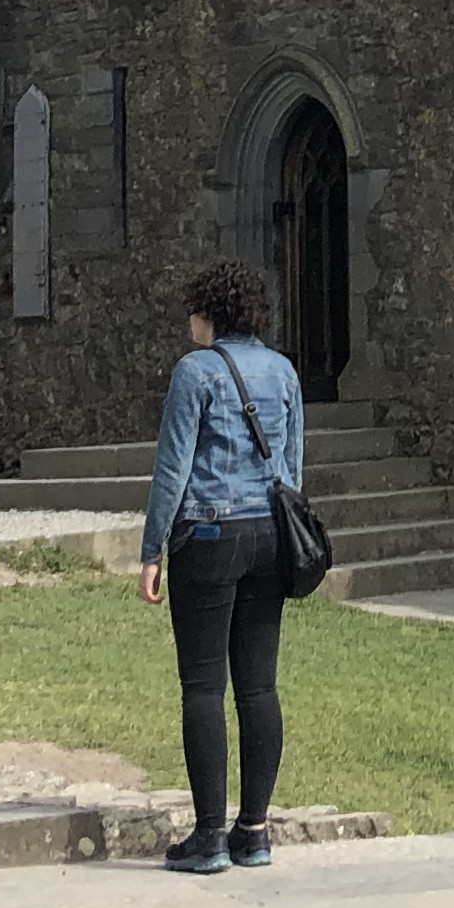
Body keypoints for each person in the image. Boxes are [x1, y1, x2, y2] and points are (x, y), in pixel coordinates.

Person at [138, 259, 305, 875]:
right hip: (269, 534)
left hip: (208, 534)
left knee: (203, 686)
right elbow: (292, 468)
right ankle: (254, 831)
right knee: (259, 686)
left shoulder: (195, 373)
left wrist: (152, 550)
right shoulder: (284, 371)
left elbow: (172, 469)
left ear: (209, 312)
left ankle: (209, 835)